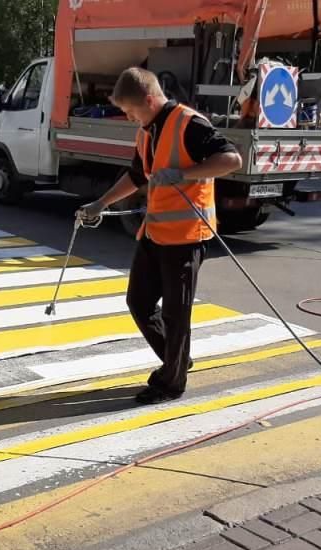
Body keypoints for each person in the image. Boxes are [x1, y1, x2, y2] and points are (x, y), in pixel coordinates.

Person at [76, 67, 243, 405]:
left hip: (186, 236)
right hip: (154, 232)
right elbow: (137, 175)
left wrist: (184, 174)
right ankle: (176, 358)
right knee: (138, 301)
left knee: (175, 315)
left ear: (149, 100)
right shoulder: (147, 131)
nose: (129, 117)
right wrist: (101, 203)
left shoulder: (189, 124)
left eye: (131, 111)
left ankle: (171, 383)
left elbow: (232, 159)